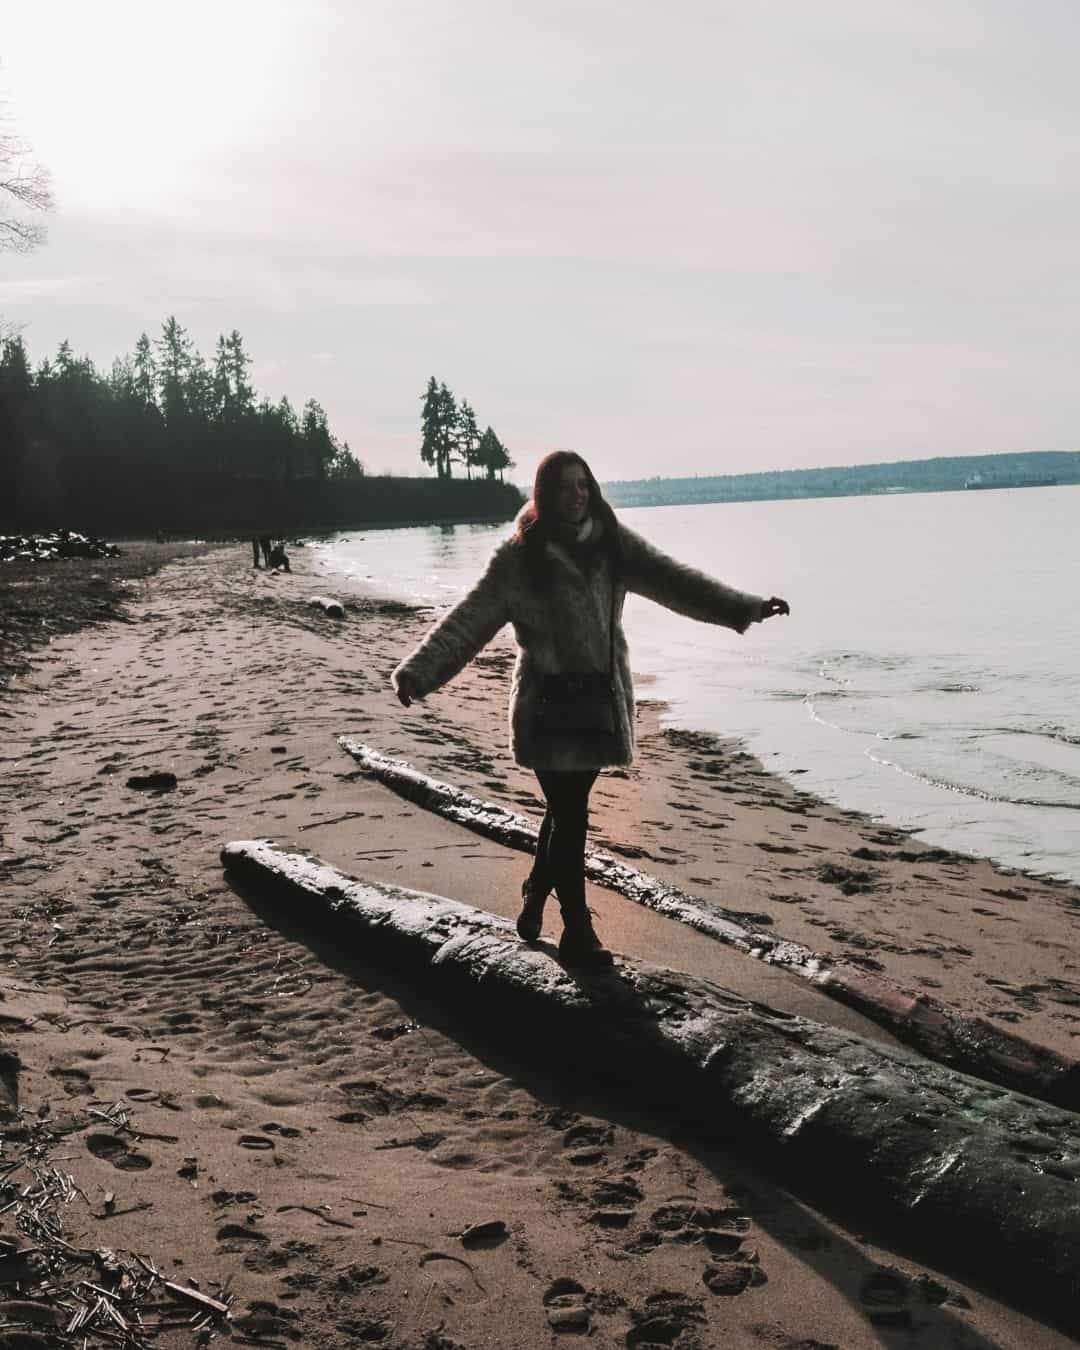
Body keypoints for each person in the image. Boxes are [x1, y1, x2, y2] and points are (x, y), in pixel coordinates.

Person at [392, 451, 789, 967]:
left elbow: (675, 581)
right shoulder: (519, 558)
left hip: (598, 708)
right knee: (572, 815)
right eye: (565, 488)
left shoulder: (612, 544)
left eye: (583, 485)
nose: (576, 495)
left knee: (564, 812)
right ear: (545, 495)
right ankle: (577, 930)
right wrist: (418, 672)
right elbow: (471, 619)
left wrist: (745, 607)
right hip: (547, 709)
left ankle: (536, 889)